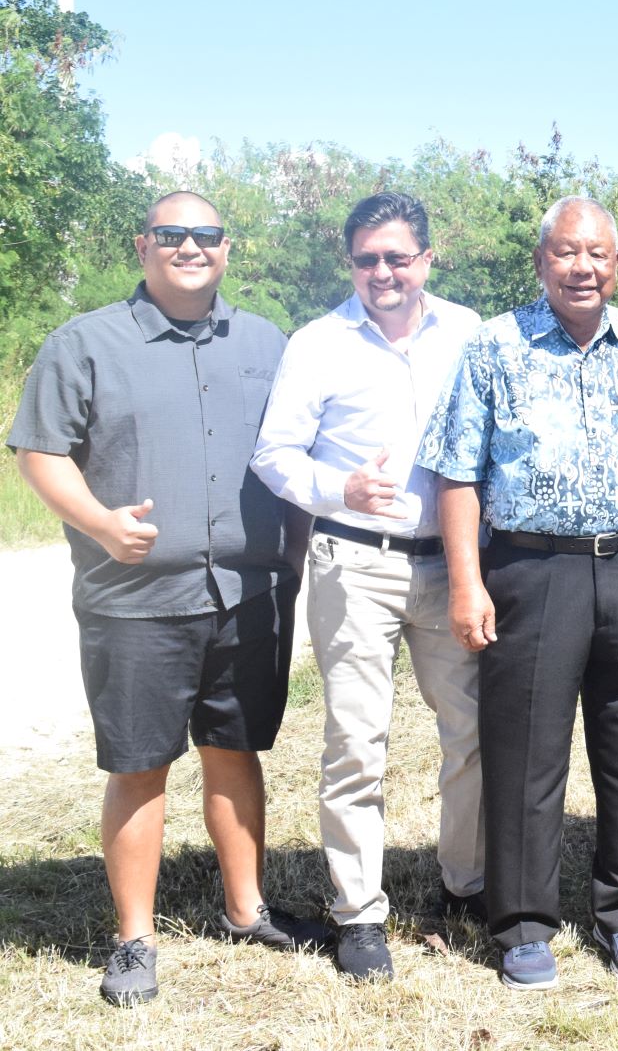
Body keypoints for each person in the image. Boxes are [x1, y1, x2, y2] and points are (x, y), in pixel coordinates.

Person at [8, 191, 329, 1006]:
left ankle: (246, 907)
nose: (191, 247)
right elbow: (39, 452)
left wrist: (297, 556)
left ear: (228, 247)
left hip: (249, 594)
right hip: (134, 599)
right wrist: (99, 523)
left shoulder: (266, 343)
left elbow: (295, 452)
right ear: (144, 244)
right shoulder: (86, 343)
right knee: (140, 764)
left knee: (236, 749)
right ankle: (134, 939)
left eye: (206, 235)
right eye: (173, 235)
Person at [416, 195, 618, 991]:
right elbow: (456, 470)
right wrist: (467, 582)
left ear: (616, 264)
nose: (582, 267)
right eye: (566, 252)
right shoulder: (494, 347)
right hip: (531, 570)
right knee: (525, 750)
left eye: (597, 253)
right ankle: (524, 922)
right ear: (540, 262)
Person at [250, 192, 485, 981]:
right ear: (349, 264)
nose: (381, 272)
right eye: (365, 259)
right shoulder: (318, 343)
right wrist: (334, 488)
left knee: (472, 730)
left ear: (426, 259)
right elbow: (273, 452)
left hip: (452, 563)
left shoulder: (468, 334)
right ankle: (358, 915)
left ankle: (467, 885)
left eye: (395, 256)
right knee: (356, 742)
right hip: (354, 561)